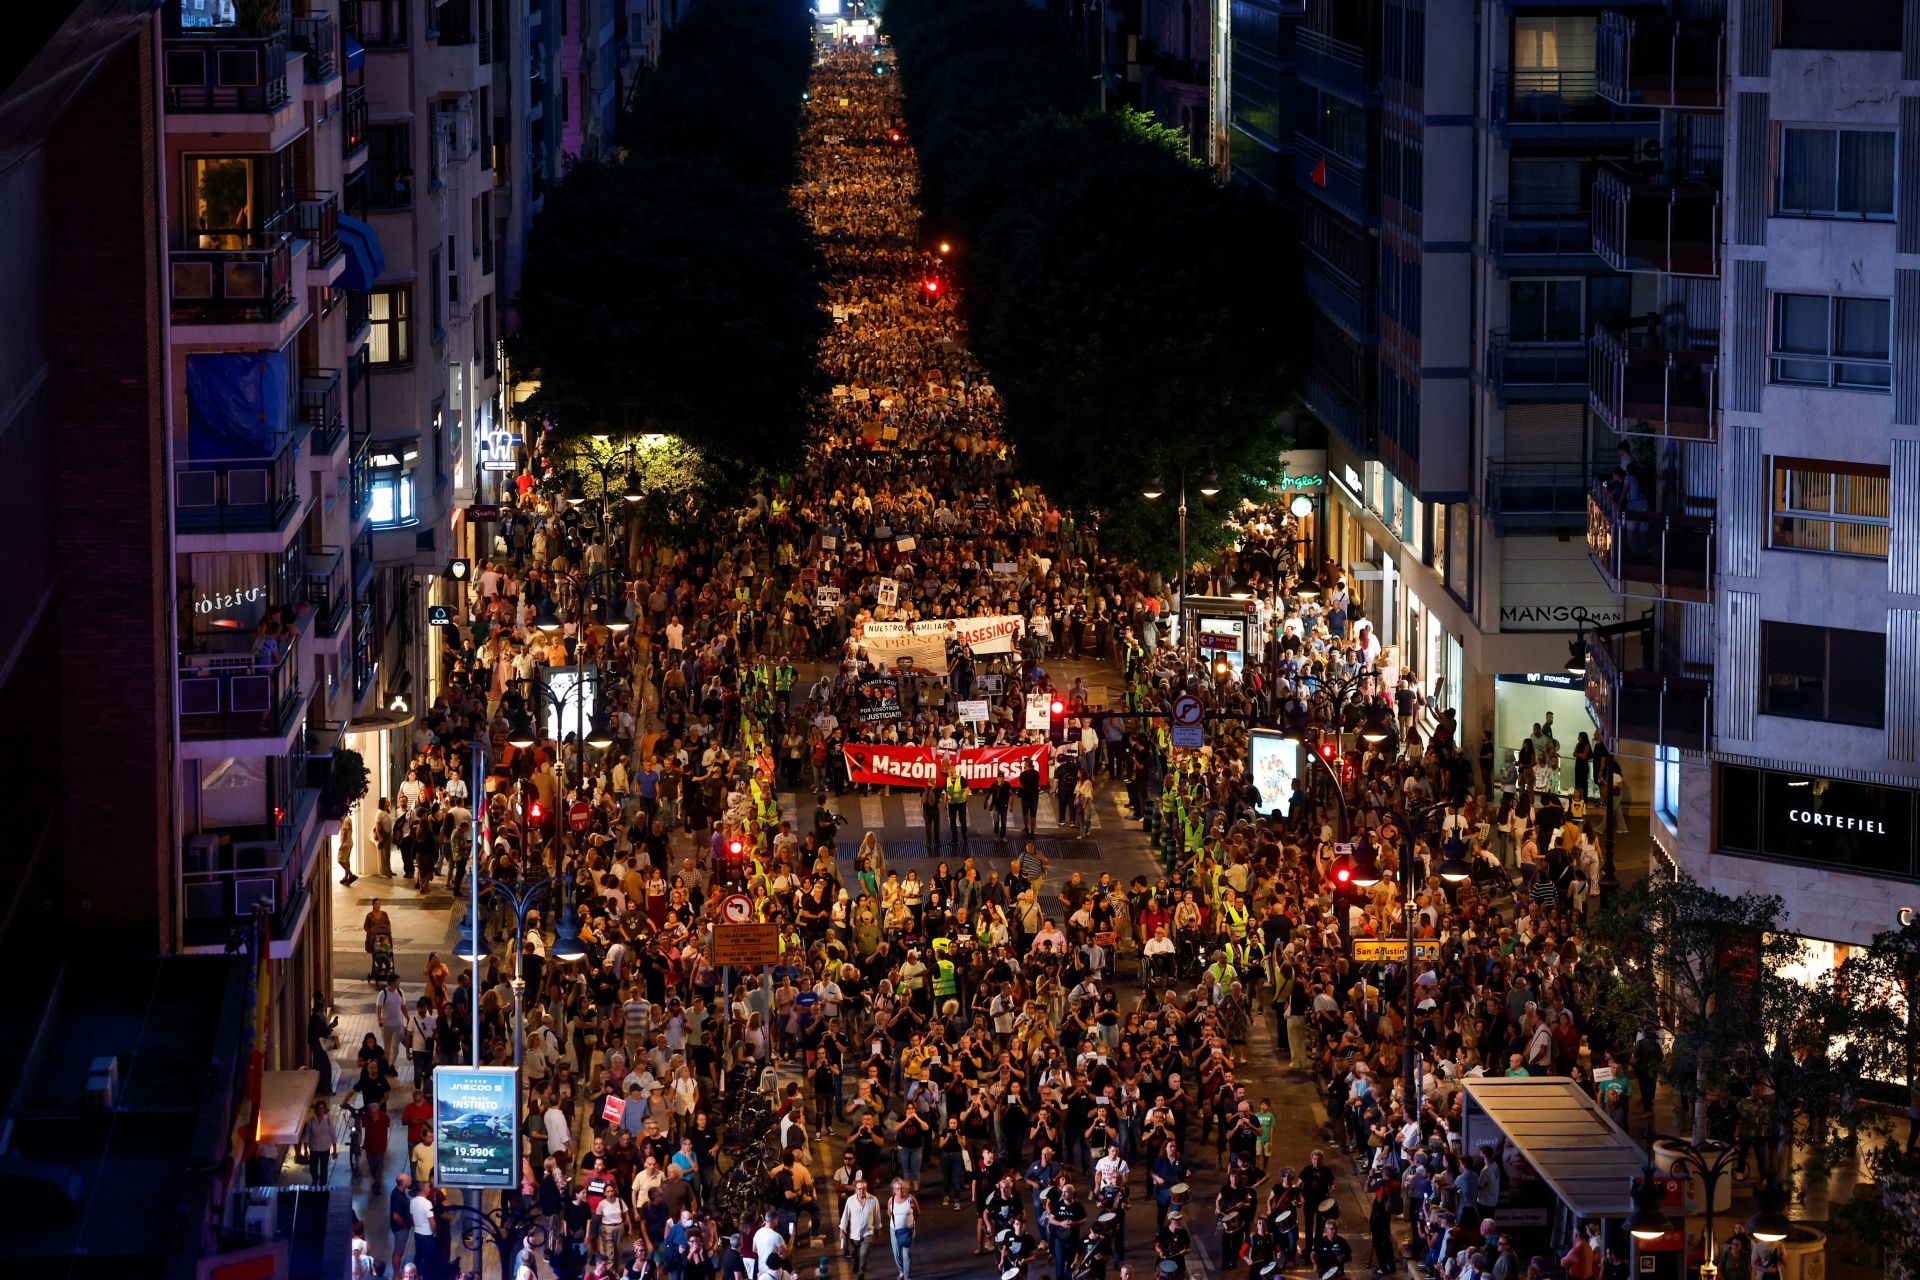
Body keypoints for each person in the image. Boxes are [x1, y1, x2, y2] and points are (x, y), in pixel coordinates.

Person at [840, 1175, 880, 1278]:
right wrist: (842, 1229)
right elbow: (845, 1216)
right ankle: (856, 1263)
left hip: (868, 1232)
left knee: (864, 1253)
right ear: (856, 1189)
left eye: (863, 1188)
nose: (861, 1190)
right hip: (854, 1233)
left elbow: (877, 1216)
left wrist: (877, 1229)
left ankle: (861, 1273)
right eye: (859, 1189)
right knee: (853, 1253)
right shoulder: (850, 1200)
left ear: (866, 1188)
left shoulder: (873, 1200)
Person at [887, 1178, 919, 1280]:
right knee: (896, 1252)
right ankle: (901, 1270)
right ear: (894, 1190)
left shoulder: (911, 1199)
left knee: (906, 1254)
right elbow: (889, 1212)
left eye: (901, 1188)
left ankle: (906, 1276)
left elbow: (918, 1212)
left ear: (905, 1189)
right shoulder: (891, 1200)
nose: (899, 1190)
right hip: (895, 1230)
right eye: (897, 1189)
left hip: (908, 1230)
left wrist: (911, 1221)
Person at [302, 1097, 338, 1186]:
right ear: (316, 1109)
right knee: (312, 1168)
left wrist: (334, 1150)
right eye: (319, 1108)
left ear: (325, 1109)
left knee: (323, 1167)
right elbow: (307, 1135)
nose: (320, 1110)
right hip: (314, 1148)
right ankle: (315, 1178)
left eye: (322, 1108)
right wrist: (305, 1149)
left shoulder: (328, 1120)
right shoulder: (311, 1121)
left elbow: (333, 1135)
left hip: (325, 1148)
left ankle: (323, 1184)